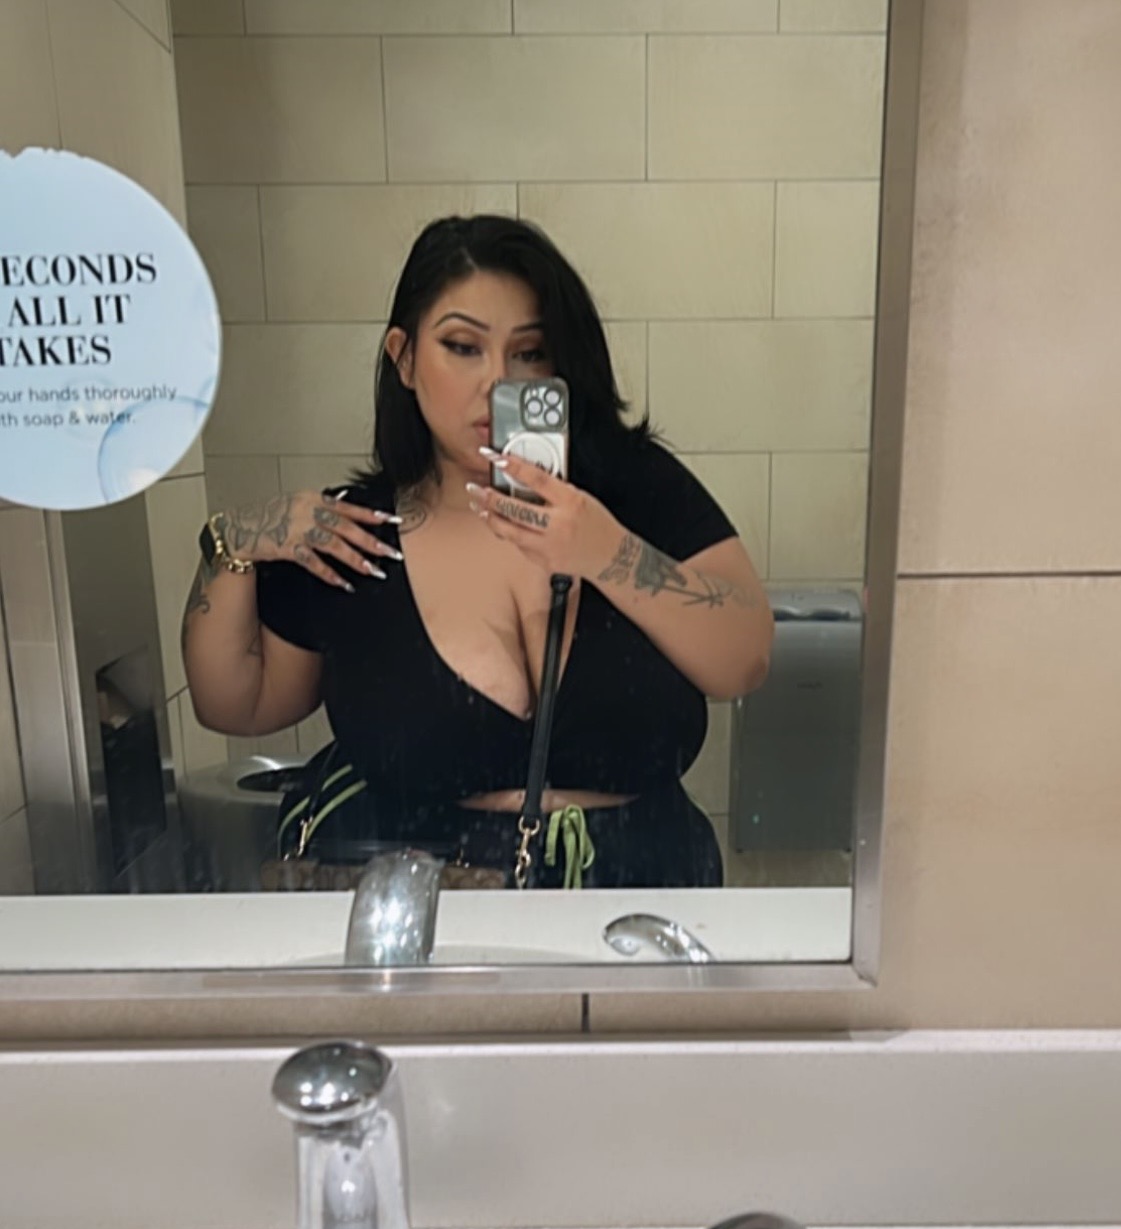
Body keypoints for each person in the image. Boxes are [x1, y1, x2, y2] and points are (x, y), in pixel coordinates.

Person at [182, 215, 773, 888]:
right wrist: (235, 542)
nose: (497, 381)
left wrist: (607, 551)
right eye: (462, 346)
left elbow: (743, 658)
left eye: (530, 352)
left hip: (643, 899)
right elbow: (237, 705)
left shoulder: (635, 491)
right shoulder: (355, 532)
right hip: (439, 913)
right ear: (404, 357)